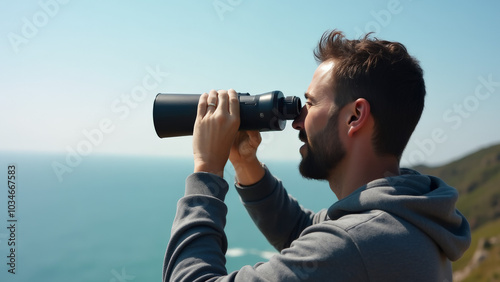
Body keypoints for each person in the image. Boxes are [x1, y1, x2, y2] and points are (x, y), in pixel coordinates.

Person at [162, 30, 471, 281]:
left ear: (355, 116)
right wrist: (244, 164)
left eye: (310, 103)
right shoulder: (404, 215)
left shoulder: (354, 245)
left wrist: (207, 170)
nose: (298, 121)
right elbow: (304, 233)